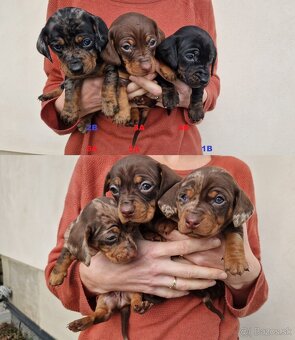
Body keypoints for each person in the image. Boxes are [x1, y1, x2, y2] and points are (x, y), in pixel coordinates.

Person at [45, 155, 268, 340]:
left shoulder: (234, 171)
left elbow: (252, 297)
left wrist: (239, 273)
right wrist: (94, 277)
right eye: (115, 190)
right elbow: (58, 277)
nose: (126, 206)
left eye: (145, 186)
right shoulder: (95, 161)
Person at [40, 0, 220, 155]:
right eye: (127, 46)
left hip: (179, 152)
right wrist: (79, 103)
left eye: (152, 43)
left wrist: (194, 97)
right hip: (93, 152)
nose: (145, 64)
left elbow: (210, 76)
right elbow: (56, 82)